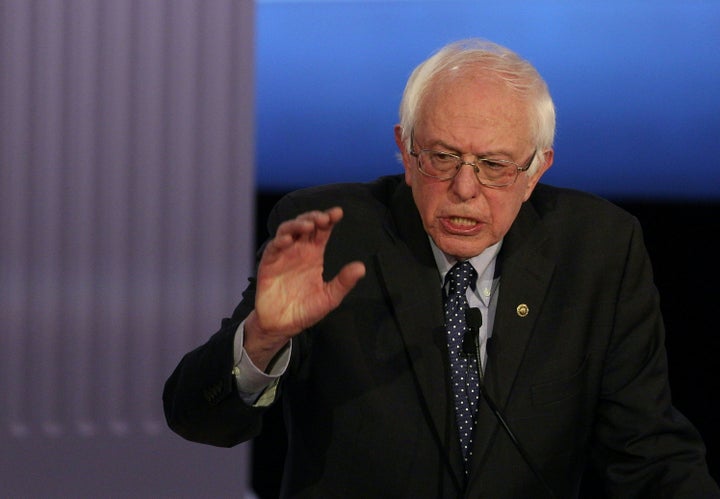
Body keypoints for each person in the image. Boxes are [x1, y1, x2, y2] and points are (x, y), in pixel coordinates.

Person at [163, 39, 719, 498]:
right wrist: (263, 337)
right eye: (442, 157)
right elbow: (197, 418)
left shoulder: (599, 250)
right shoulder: (332, 238)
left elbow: (647, 453)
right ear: (405, 152)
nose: (464, 189)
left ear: (536, 170)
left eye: (495, 165)